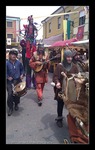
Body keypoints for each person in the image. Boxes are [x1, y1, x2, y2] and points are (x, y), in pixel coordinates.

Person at [52, 49, 79, 127]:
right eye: (68, 57)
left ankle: (72, 121)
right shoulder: (60, 66)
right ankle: (59, 119)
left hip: (71, 90)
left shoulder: (74, 66)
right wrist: (57, 82)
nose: (69, 59)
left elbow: (77, 76)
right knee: (60, 104)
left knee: (72, 106)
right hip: (62, 89)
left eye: (70, 57)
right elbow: (55, 76)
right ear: (64, 57)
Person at [6, 49, 24, 116]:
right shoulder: (6, 63)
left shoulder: (19, 63)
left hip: (18, 81)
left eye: (15, 55)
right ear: (9, 55)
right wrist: (7, 77)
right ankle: (10, 108)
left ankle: (16, 104)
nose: (13, 56)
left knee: (17, 94)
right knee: (10, 94)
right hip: (9, 82)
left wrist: (22, 74)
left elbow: (22, 70)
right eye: (12, 54)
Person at [23, 15, 38, 89]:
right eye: (30, 20)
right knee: (28, 72)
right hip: (28, 57)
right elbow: (25, 33)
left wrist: (35, 35)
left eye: (32, 20)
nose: (31, 21)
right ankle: (28, 85)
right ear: (29, 20)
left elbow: (36, 31)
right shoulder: (28, 27)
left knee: (35, 72)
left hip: (33, 57)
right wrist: (25, 36)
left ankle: (35, 84)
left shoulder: (34, 26)